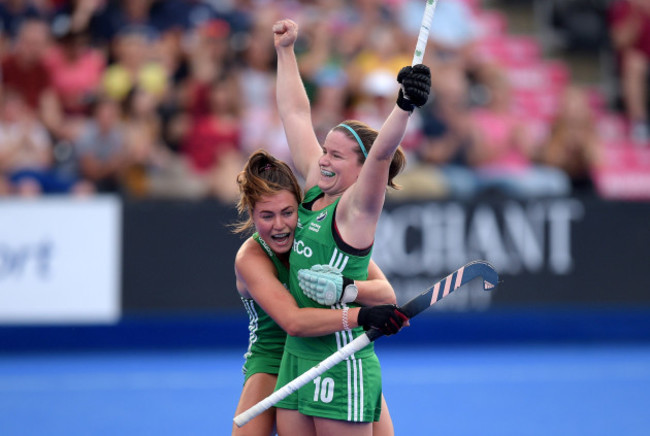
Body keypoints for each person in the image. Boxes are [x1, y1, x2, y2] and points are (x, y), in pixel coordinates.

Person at [272, 18, 430, 434]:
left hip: (341, 360)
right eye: (325, 150)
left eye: (337, 156)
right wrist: (286, 52)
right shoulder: (312, 189)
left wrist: (404, 105)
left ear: (359, 172)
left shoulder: (355, 209)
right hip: (296, 355)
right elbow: (294, 111)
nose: (323, 159)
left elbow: (380, 156)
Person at [232, 150, 407, 436]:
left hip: (331, 350)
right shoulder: (250, 257)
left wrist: (346, 287)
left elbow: (386, 293)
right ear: (251, 214)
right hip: (273, 359)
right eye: (266, 215)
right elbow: (294, 322)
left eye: (287, 212)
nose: (279, 225)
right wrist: (363, 315)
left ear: (299, 209)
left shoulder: (317, 233)